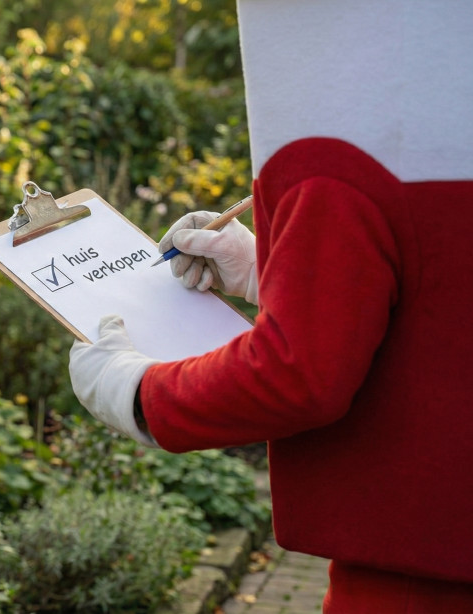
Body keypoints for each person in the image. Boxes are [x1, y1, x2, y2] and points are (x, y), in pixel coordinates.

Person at [67, 1, 473, 611]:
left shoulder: (337, 156)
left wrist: (140, 393)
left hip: (420, 572)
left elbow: (299, 375)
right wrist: (273, 275)